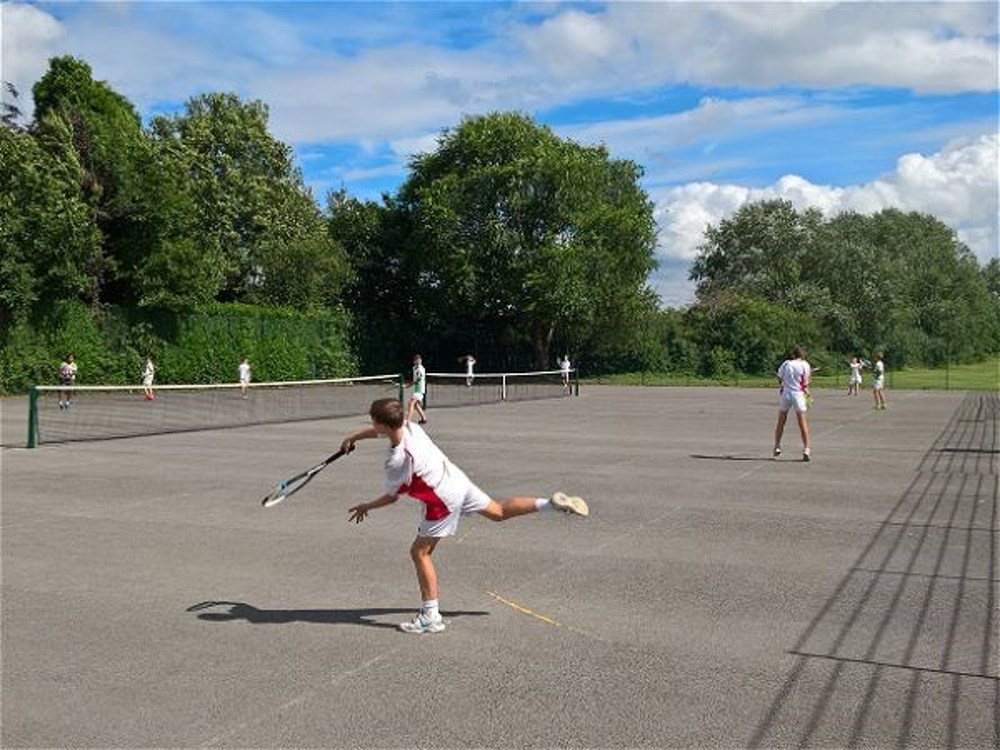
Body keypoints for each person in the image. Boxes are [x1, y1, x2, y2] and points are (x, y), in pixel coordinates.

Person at [339, 397, 589, 634]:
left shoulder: (396, 460)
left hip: (442, 500)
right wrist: (353, 437)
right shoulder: (410, 426)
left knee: (419, 553)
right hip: (456, 480)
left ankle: (430, 617)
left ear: (382, 424)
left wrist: (366, 506)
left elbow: (392, 496)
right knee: (498, 511)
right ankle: (550, 504)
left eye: (373, 422)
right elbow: (382, 431)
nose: (372, 426)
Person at [773, 346, 812, 462]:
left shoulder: (786, 364)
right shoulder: (805, 365)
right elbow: (805, 382)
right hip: (798, 394)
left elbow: (780, 379)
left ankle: (777, 445)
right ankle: (806, 448)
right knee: (802, 423)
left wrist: (784, 384)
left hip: (786, 393)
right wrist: (807, 392)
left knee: (781, 421)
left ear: (793, 355)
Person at [406, 354, 428, 424]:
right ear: (414, 361)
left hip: (420, 389)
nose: (418, 361)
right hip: (416, 389)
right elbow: (415, 379)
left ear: (421, 361)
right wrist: (410, 384)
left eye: (419, 360)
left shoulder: (421, 369)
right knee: (415, 404)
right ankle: (424, 418)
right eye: (416, 360)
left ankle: (408, 420)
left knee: (411, 403)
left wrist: (409, 385)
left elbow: (418, 379)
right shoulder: (414, 368)